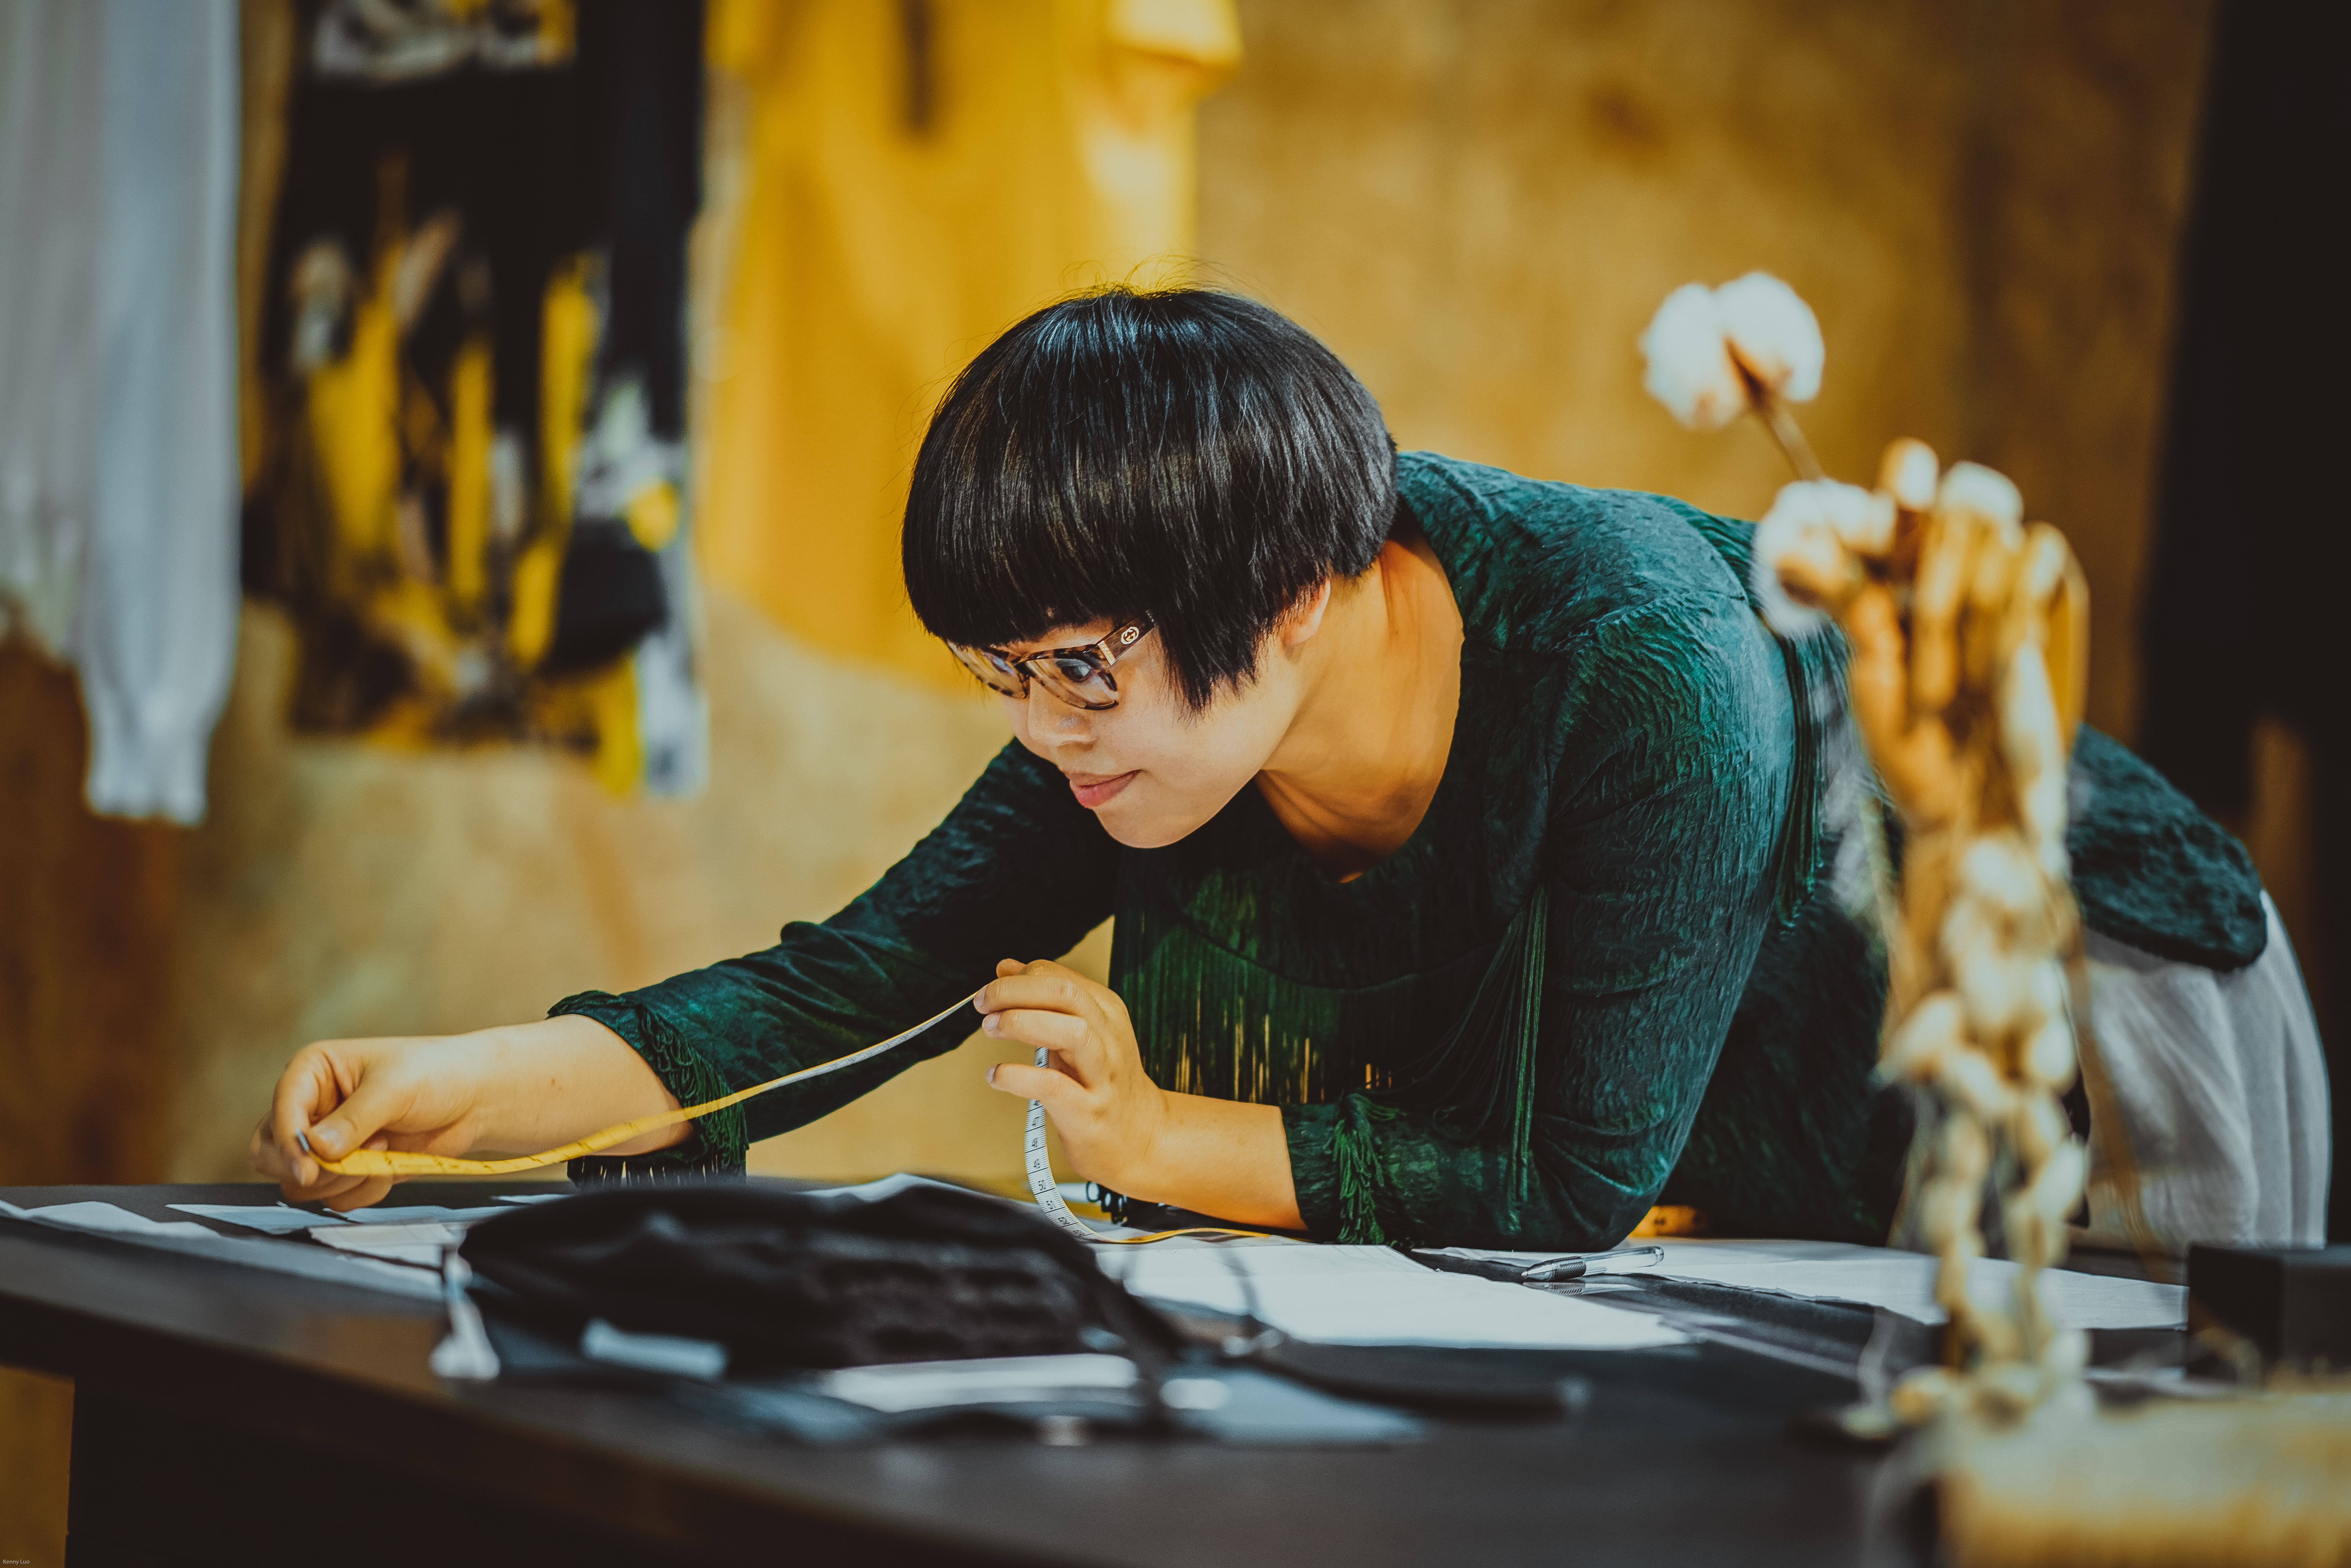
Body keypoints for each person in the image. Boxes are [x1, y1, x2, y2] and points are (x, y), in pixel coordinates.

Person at [252, 286, 2324, 1250]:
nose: (1045, 730)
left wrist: (1162, 1137)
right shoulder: (1146, 720)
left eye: (1076, 669)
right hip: (1751, 1142)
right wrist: (460, 1093)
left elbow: (1572, 1185)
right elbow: (838, 989)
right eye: (1002, 674)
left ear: (1308, 592)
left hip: (2072, 1020)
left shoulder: (1649, 668)